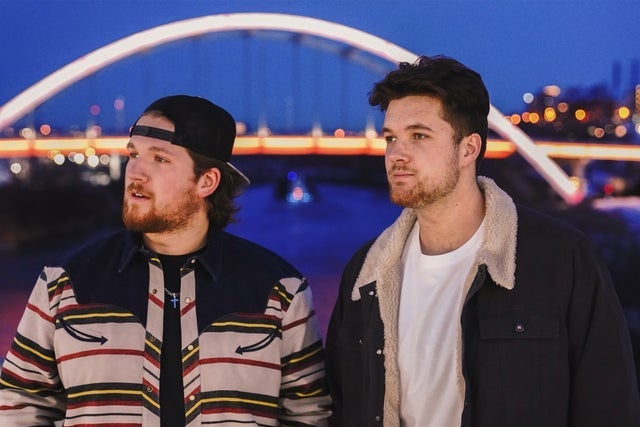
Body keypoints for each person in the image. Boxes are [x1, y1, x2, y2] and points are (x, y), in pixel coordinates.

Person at [325, 55, 640, 426]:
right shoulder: (365, 277)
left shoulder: (560, 261)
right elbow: (341, 408)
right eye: (391, 138)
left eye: (419, 136)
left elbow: (609, 407)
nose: (396, 154)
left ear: (468, 149)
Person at [0, 95, 331, 426]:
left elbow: (308, 414)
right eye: (133, 154)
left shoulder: (279, 292)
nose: (135, 172)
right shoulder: (64, 284)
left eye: (159, 159)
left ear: (206, 181)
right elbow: (19, 406)